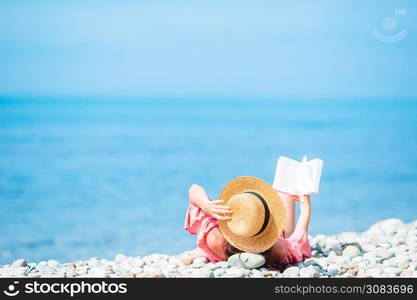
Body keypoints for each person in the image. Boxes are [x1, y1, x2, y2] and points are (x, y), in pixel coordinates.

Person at [184, 176, 312, 270]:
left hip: (224, 246)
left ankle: (199, 252)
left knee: (284, 190)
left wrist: (207, 206)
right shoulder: (275, 250)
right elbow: (298, 246)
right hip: (271, 238)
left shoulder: (214, 238)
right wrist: (306, 208)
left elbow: (193, 189)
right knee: (285, 192)